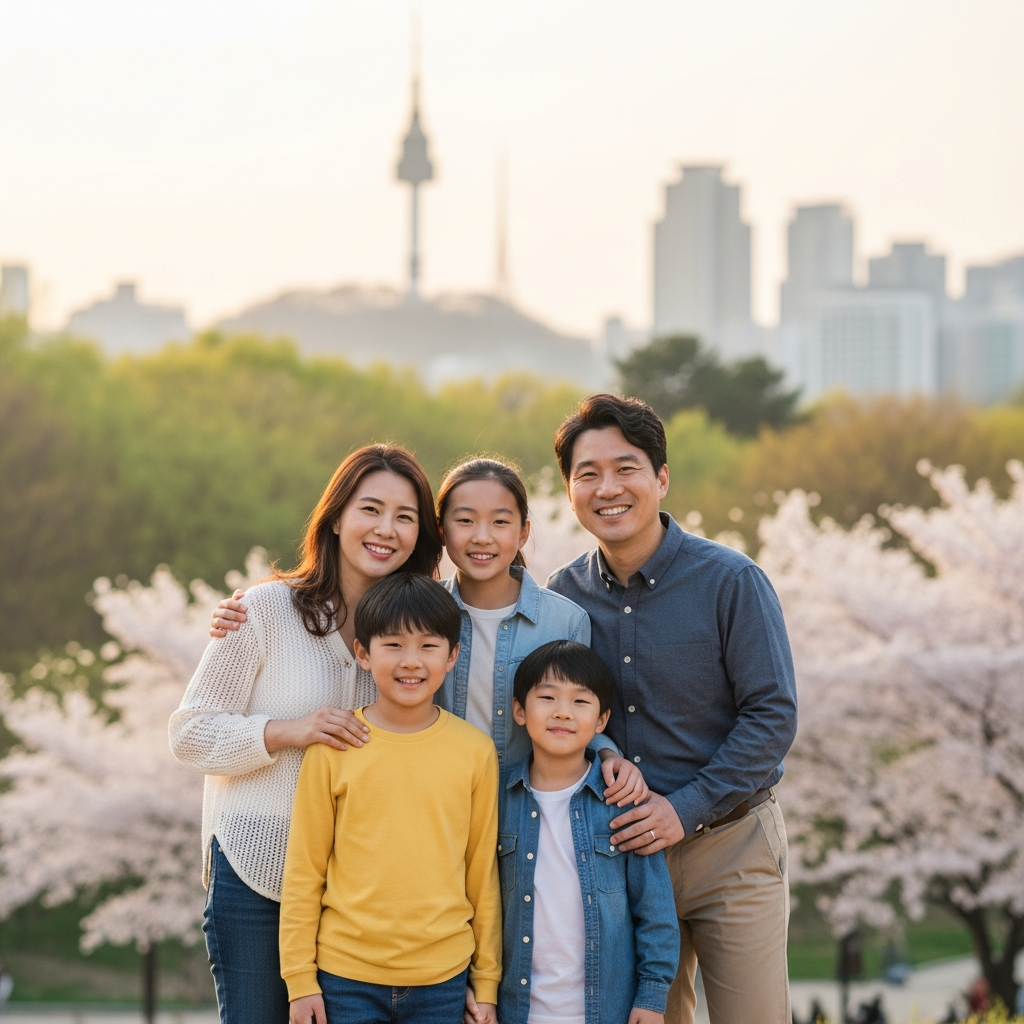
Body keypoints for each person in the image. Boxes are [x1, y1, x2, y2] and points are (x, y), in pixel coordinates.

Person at [546, 394, 798, 1024]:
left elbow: (771, 715)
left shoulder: (730, 581)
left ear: (661, 478)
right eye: (587, 474)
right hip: (620, 854)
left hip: (730, 844)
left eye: (626, 468)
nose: (608, 488)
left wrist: (683, 809)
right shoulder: (562, 599)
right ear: (569, 491)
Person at [169, 444, 443, 1024]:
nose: (385, 529)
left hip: (358, 891)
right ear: (337, 516)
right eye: (370, 509)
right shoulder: (263, 611)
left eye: (405, 516)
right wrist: (289, 731)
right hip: (255, 871)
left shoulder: (421, 634)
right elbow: (190, 734)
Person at [210, 456, 648, 803]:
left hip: (527, 811)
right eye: (464, 521)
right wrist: (244, 610)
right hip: (431, 806)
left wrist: (607, 751)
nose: (482, 537)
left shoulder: (565, 619)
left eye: (499, 522)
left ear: (523, 531)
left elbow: (581, 712)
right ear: (440, 531)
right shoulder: (415, 613)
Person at [280, 573, 501, 1024]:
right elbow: (305, 871)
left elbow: (482, 873)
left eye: (428, 646)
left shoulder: (475, 751)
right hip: (345, 976)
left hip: (443, 976)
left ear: (453, 656)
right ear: (363, 653)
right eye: (393, 645)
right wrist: (299, 980)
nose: (411, 662)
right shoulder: (333, 748)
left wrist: (487, 981)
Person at [495, 639, 679, 1024]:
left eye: (580, 702)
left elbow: (655, 909)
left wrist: (652, 996)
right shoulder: (497, 800)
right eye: (547, 698)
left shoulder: (624, 802)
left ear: (601, 721)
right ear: (519, 710)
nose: (563, 713)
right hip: (517, 1009)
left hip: (606, 1009)